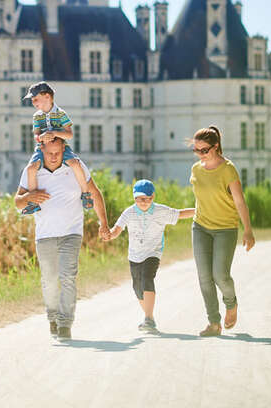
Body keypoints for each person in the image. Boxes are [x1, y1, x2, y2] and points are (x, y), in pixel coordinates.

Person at [14, 137, 109, 340]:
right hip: (45, 234)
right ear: (42, 150)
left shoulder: (75, 165)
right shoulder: (32, 169)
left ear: (64, 149)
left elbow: (95, 192)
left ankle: (65, 323)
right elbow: (17, 202)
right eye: (50, 153)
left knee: (68, 277)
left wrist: (104, 223)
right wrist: (29, 198)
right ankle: (52, 317)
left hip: (71, 233)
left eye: (58, 152)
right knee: (49, 280)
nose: (54, 157)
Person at [189, 125, 256, 337]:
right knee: (204, 276)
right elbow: (201, 199)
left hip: (225, 228)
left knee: (220, 275)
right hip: (200, 227)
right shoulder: (195, 169)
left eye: (204, 150)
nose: (200, 154)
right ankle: (214, 323)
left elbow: (239, 201)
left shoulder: (228, 169)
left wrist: (248, 230)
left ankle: (231, 303)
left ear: (216, 147)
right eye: (196, 150)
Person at [105, 179, 195, 333]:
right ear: (134, 198)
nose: (144, 202)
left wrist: (200, 209)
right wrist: (110, 235)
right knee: (137, 287)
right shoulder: (129, 212)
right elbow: (117, 229)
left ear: (153, 197)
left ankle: (147, 319)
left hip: (153, 253)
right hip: (134, 254)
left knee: (147, 278)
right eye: (141, 199)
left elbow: (179, 213)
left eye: (148, 198)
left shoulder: (161, 211)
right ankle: (150, 317)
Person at [21, 81, 93, 215]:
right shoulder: (37, 116)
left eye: (35, 99)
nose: (33, 102)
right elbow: (36, 135)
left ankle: (86, 194)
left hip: (62, 147)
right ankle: (34, 202)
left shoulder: (60, 114)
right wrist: (42, 137)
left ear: (47, 96)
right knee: (31, 169)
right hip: (42, 148)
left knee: (75, 164)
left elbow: (69, 134)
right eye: (32, 100)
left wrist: (54, 133)